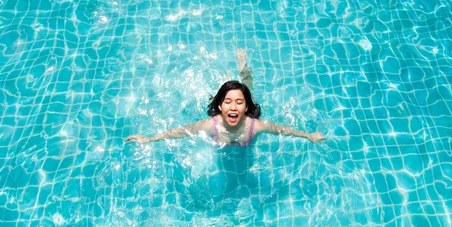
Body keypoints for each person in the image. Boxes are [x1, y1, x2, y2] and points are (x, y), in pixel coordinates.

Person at [124, 49, 326, 146]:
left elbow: (282, 130)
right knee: (242, 89)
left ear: (246, 108)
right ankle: (241, 75)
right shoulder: (209, 125)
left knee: (247, 86)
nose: (233, 107)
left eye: (239, 103)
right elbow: (179, 132)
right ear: (219, 106)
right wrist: (149, 139)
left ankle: (243, 69)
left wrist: (308, 135)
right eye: (227, 102)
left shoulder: (255, 126)